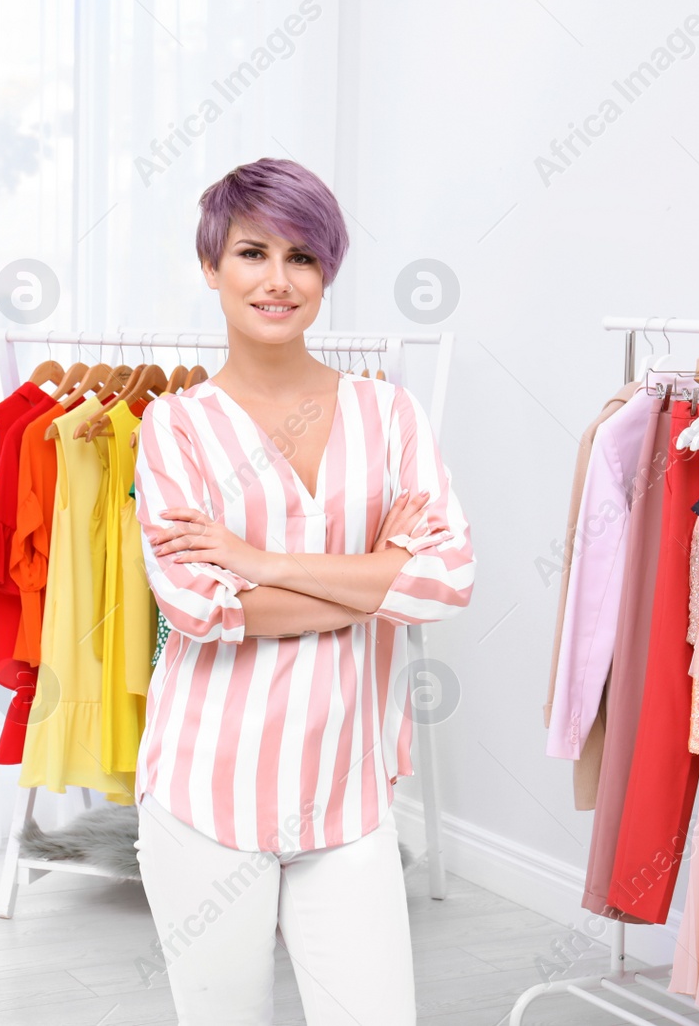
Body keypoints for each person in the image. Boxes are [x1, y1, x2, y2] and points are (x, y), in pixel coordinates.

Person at [131, 157, 476, 1025]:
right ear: (211, 267)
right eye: (253, 253)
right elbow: (199, 608)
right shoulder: (175, 426)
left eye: (304, 258)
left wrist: (263, 560)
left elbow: (447, 578)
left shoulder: (389, 413)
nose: (279, 280)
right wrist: (376, 578)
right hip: (206, 793)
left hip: (349, 790)